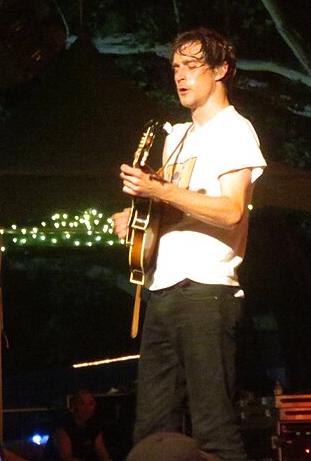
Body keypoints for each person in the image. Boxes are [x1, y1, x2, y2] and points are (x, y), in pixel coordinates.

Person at [111, 27, 267, 461]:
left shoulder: (235, 130)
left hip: (206, 289)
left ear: (221, 70)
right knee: (151, 431)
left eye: (192, 66)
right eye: (176, 67)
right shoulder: (176, 136)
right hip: (162, 288)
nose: (180, 76)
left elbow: (231, 210)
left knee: (213, 425)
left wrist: (158, 192)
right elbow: (173, 208)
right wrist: (137, 219)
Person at [43, 389, 112, 461]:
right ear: (73, 405)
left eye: (90, 404)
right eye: (82, 404)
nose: (86, 408)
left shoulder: (93, 425)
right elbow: (67, 458)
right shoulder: (64, 426)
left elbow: (102, 452)